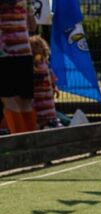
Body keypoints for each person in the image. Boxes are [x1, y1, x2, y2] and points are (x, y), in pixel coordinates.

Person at [0, 0, 36, 133]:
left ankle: (20, 142)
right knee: (25, 102)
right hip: (25, 53)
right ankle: (31, 141)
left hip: (4, 55)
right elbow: (33, 26)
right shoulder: (25, 2)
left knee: (9, 100)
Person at [29, 35, 58, 129]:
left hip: (43, 102)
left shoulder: (40, 64)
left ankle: (46, 126)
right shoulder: (41, 64)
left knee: (45, 118)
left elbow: (51, 77)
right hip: (43, 104)